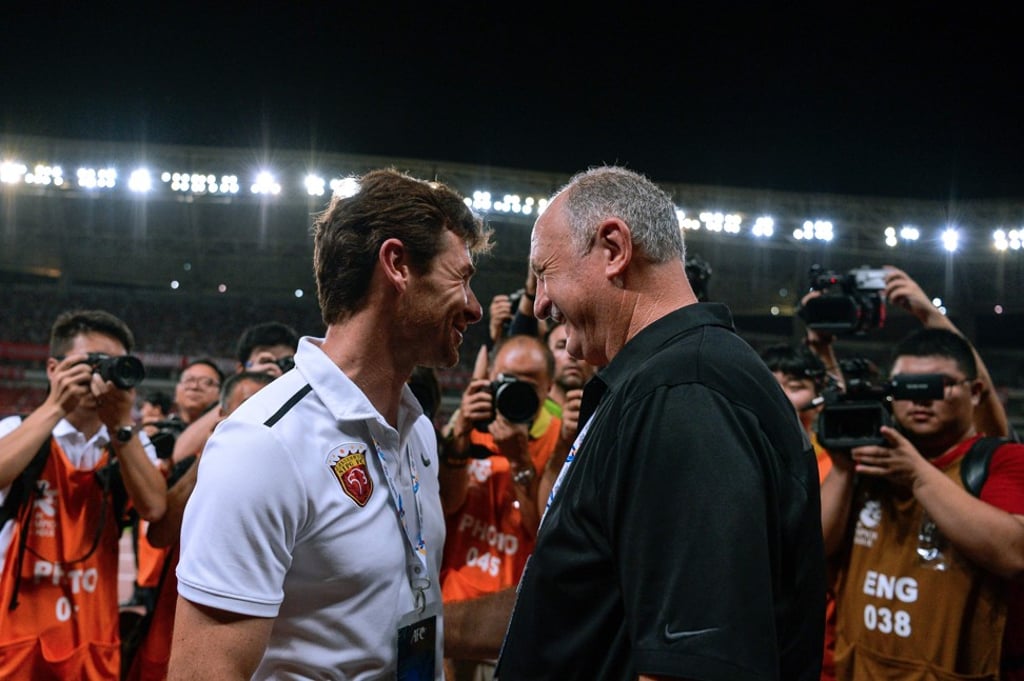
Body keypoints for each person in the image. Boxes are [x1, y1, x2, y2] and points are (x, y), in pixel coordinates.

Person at [495, 166, 825, 681]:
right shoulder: (668, 383)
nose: (538, 304)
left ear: (613, 249)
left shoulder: (685, 395)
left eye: (545, 273)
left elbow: (693, 666)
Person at [169, 168, 492, 680]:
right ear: (397, 264)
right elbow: (203, 672)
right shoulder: (264, 444)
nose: (474, 308)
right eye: (462, 278)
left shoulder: (420, 431)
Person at [823, 327, 1024, 679]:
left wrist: (917, 475)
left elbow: (1015, 555)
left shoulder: (1001, 460)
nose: (919, 400)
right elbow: (816, 548)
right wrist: (842, 467)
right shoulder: (868, 462)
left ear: (975, 392)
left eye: (936, 385)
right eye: (904, 387)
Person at [0, 309, 167, 678]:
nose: (100, 376)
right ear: (53, 369)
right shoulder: (17, 430)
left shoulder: (129, 444)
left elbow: (155, 508)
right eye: (92, 362)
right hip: (15, 642)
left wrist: (122, 424)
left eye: (112, 365)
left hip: (93, 641)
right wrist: (55, 406)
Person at [125, 371, 274, 681]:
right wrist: (206, 461)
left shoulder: (292, 468)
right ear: (220, 413)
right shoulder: (189, 462)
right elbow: (159, 535)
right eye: (247, 404)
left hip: (261, 626)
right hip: (182, 617)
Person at [439, 335, 561, 680]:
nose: (515, 392)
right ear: (492, 377)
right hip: (453, 611)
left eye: (529, 383)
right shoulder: (472, 424)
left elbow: (545, 534)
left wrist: (520, 459)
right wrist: (459, 437)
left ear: (549, 387)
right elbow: (448, 504)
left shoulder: (558, 438)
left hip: (509, 621)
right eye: (507, 380)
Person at [760, 343, 838, 681]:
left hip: (824, 641)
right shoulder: (741, 458)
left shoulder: (837, 467)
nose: (781, 397)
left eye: (795, 386)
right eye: (770, 383)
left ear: (819, 398)